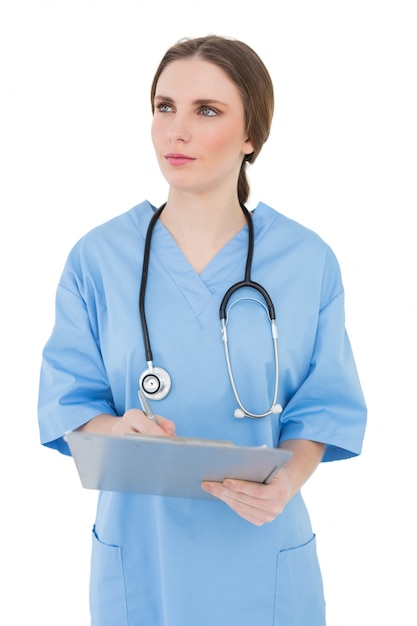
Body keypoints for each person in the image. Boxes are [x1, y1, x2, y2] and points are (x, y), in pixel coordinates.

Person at [38, 35, 367, 626]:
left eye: (206, 111)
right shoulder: (98, 258)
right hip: (142, 557)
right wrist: (119, 427)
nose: (175, 131)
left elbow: (322, 408)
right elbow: (69, 401)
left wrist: (286, 478)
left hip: (261, 551)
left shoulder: (306, 260)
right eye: (165, 107)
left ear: (251, 136)